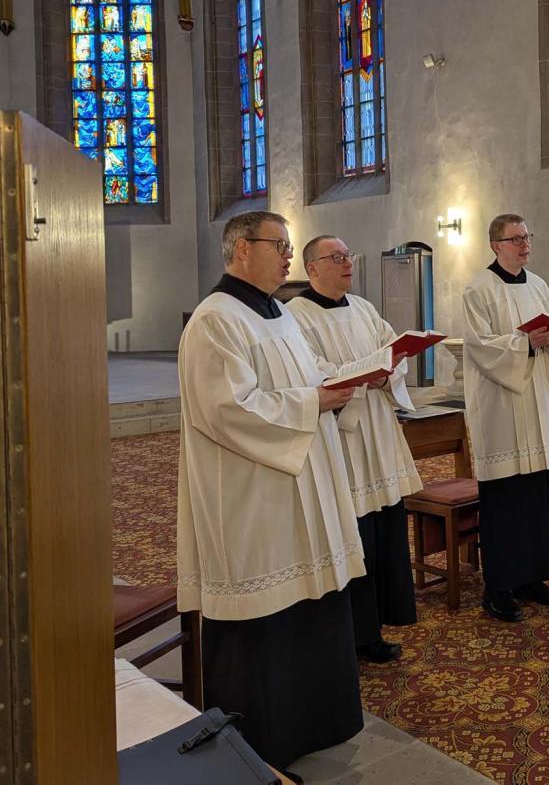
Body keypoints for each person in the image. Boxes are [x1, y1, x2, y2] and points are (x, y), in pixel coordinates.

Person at [177, 211, 367, 774]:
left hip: (300, 485)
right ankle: (260, 743)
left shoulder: (277, 311)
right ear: (239, 250)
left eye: (288, 246)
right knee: (265, 618)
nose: (288, 256)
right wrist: (315, 402)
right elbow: (225, 409)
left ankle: (314, 722)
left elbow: (302, 383)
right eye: (278, 245)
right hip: (252, 495)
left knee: (309, 604)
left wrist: (329, 391)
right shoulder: (215, 320)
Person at [287, 234, 424, 665]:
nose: (347, 264)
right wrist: (367, 375)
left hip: (379, 436)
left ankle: (377, 626)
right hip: (343, 439)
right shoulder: (295, 316)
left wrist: (388, 373)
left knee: (384, 534)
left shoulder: (363, 307)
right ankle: (351, 632)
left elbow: (391, 352)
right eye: (336, 258)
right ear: (312, 268)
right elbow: (312, 373)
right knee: (354, 538)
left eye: (349, 256)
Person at [462, 214, 549, 622]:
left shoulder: (539, 285)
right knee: (508, 500)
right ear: (496, 245)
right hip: (503, 410)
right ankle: (500, 588)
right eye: (516, 239)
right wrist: (525, 343)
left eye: (528, 236)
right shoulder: (478, 289)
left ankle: (533, 578)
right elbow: (480, 347)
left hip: (538, 403)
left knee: (538, 497)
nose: (525, 245)